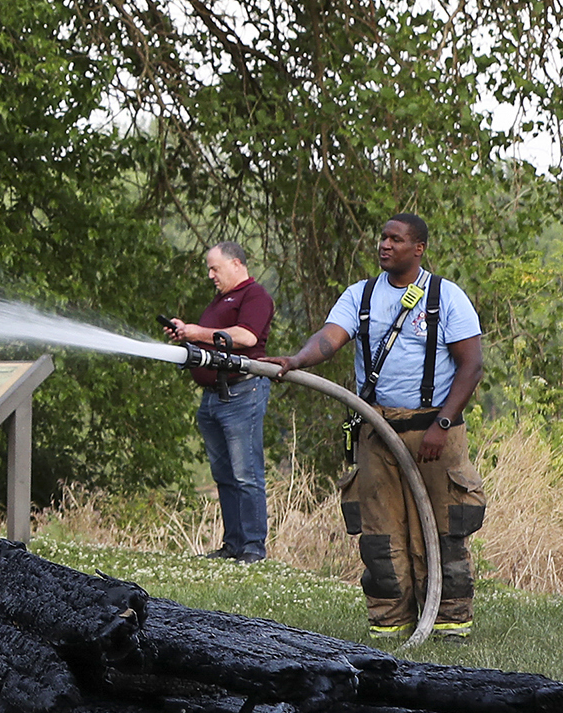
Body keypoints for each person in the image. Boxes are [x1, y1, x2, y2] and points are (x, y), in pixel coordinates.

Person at [267, 214, 487, 637]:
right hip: (375, 429)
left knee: (444, 528)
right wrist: (295, 360)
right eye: (382, 238)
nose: (384, 245)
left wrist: (441, 425)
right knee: (380, 533)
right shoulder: (360, 295)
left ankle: (449, 624)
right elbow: (328, 339)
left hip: (434, 432)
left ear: (418, 248)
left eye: (395, 239)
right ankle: (388, 625)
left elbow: (471, 366)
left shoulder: (447, 297)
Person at [169, 241, 276, 561]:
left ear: (236, 264)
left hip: (242, 394)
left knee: (247, 475)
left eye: (215, 268)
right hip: (214, 397)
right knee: (224, 475)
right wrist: (186, 335)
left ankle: (254, 548)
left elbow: (247, 337)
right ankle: (233, 545)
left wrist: (196, 331)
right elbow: (210, 336)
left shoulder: (255, 296)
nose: (211, 275)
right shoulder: (221, 300)